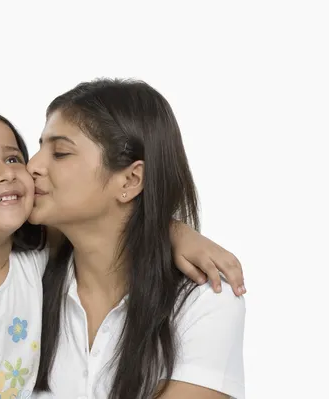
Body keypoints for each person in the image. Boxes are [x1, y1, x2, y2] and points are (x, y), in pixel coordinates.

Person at [0, 98, 244, 399]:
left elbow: (121, 226)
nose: (18, 171)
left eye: (13, 158)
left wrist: (174, 231)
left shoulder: (31, 263)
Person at [30, 79, 245, 399]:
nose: (32, 166)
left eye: (60, 153)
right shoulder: (25, 275)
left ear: (130, 180)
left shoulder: (205, 296)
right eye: (40, 148)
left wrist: (166, 229)